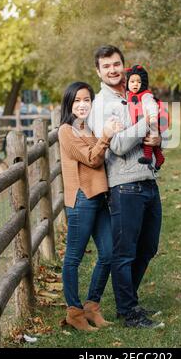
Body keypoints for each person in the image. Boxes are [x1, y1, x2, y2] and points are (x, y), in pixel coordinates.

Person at [88, 45, 165, 329]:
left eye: (116, 64)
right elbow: (118, 145)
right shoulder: (100, 105)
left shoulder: (135, 96)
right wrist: (147, 123)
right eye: (106, 66)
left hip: (148, 180)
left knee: (149, 246)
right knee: (125, 251)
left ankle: (128, 299)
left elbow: (153, 132)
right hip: (124, 186)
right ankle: (128, 310)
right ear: (98, 71)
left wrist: (157, 139)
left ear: (124, 65)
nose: (113, 69)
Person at [58, 81, 122, 332]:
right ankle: (74, 311)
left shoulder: (90, 129)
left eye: (86, 100)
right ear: (69, 104)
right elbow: (92, 160)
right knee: (73, 258)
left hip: (99, 197)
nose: (82, 105)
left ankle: (92, 306)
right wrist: (106, 135)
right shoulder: (66, 131)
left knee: (108, 253)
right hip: (82, 199)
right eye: (77, 101)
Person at [125, 64, 167, 171]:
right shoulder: (128, 95)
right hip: (139, 123)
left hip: (150, 122)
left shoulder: (146, 95)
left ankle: (148, 156)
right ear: (128, 83)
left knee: (148, 139)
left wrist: (152, 120)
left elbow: (152, 107)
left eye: (139, 82)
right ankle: (159, 157)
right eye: (132, 81)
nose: (135, 84)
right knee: (153, 143)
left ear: (143, 83)